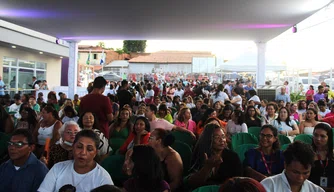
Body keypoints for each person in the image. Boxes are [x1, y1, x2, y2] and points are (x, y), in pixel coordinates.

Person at [38, 129, 114, 192]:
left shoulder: (103, 178)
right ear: (73, 147)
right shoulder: (58, 168)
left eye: (89, 149)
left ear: (95, 153)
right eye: (79, 147)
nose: (83, 153)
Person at [187, 124, 242, 189]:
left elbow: (239, 182)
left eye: (223, 136)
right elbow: (191, 184)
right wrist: (207, 167)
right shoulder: (201, 154)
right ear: (208, 140)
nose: (222, 140)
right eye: (217, 137)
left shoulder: (233, 157)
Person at [309, 123, 334, 190]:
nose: (318, 139)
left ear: (329, 137)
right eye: (315, 135)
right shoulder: (308, 153)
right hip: (312, 189)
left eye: (322, 136)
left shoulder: (333, 153)